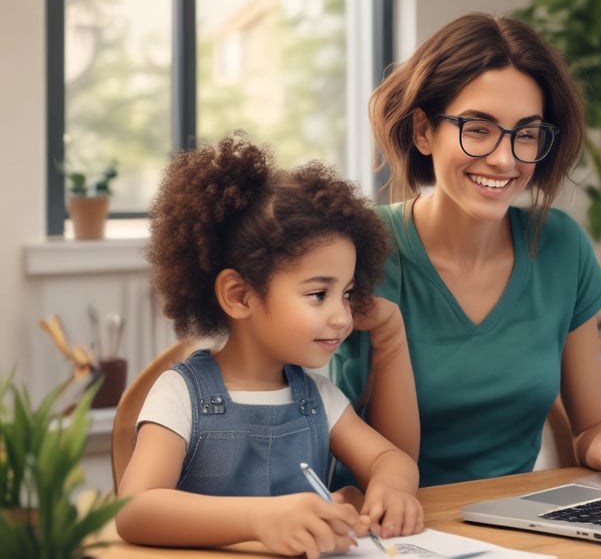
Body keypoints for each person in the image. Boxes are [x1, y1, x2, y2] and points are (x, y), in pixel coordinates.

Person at [330, 13, 601, 488]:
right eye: (478, 129)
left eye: (526, 134)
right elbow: (298, 413)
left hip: (512, 526)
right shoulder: (359, 249)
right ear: (424, 130)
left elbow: (590, 425)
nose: (505, 159)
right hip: (377, 527)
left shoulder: (561, 247)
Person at [116, 135, 423, 558]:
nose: (342, 316)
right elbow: (135, 509)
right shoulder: (181, 395)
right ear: (240, 296)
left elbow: (392, 458)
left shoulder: (317, 397)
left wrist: (393, 487)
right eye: (318, 294)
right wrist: (261, 519)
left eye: (347, 294)